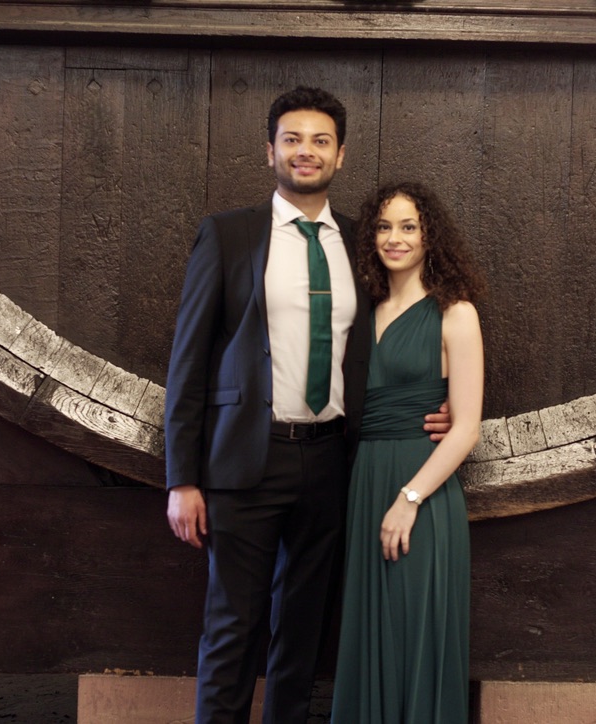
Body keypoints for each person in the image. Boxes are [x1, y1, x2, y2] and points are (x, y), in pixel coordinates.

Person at [164, 87, 450, 724]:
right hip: (245, 462)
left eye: (321, 141)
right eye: (292, 139)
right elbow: (188, 362)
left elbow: (395, 335)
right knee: (232, 629)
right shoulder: (229, 234)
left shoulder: (360, 242)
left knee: (302, 632)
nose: (306, 151)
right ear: (270, 150)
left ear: (340, 155)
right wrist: (181, 479)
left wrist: (440, 402)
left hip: (330, 462)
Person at [330, 182, 485, 724]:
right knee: (369, 634)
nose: (394, 238)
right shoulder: (360, 314)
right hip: (365, 485)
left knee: (415, 632)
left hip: (422, 493)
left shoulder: (455, 313)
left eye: (408, 226)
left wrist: (410, 498)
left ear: (429, 236)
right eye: (383, 226)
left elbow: (466, 428)